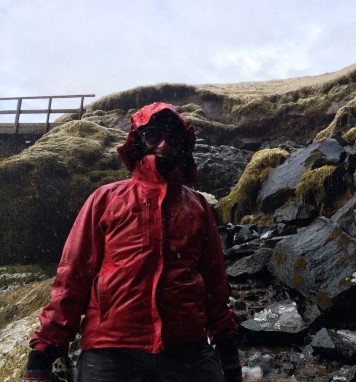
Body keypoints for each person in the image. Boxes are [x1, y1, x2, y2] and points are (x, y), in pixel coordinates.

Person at [22, 102, 242, 382]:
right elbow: (72, 277)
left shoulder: (197, 206)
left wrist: (228, 348)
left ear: (182, 148)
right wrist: (44, 350)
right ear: (138, 140)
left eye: (173, 140)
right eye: (154, 136)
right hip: (111, 348)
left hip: (186, 347)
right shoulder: (105, 198)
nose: (163, 145)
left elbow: (215, 283)